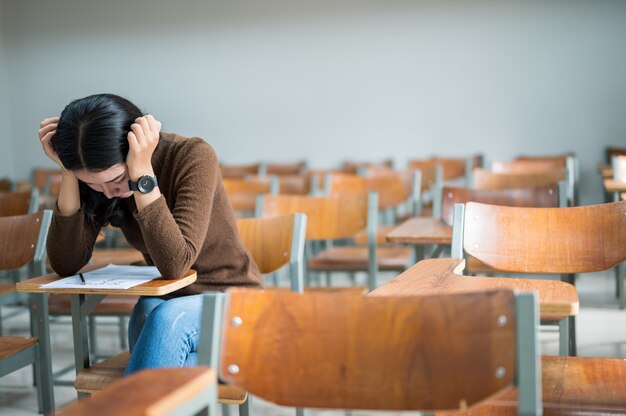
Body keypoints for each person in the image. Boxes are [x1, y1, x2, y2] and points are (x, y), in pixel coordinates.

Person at [38, 93, 261, 374]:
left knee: (165, 319)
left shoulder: (192, 155)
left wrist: (142, 174)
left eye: (118, 179)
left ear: (135, 149)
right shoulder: (96, 175)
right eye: (93, 184)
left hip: (231, 294)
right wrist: (68, 172)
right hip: (169, 296)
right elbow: (65, 263)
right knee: (147, 312)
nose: (109, 192)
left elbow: (175, 265)